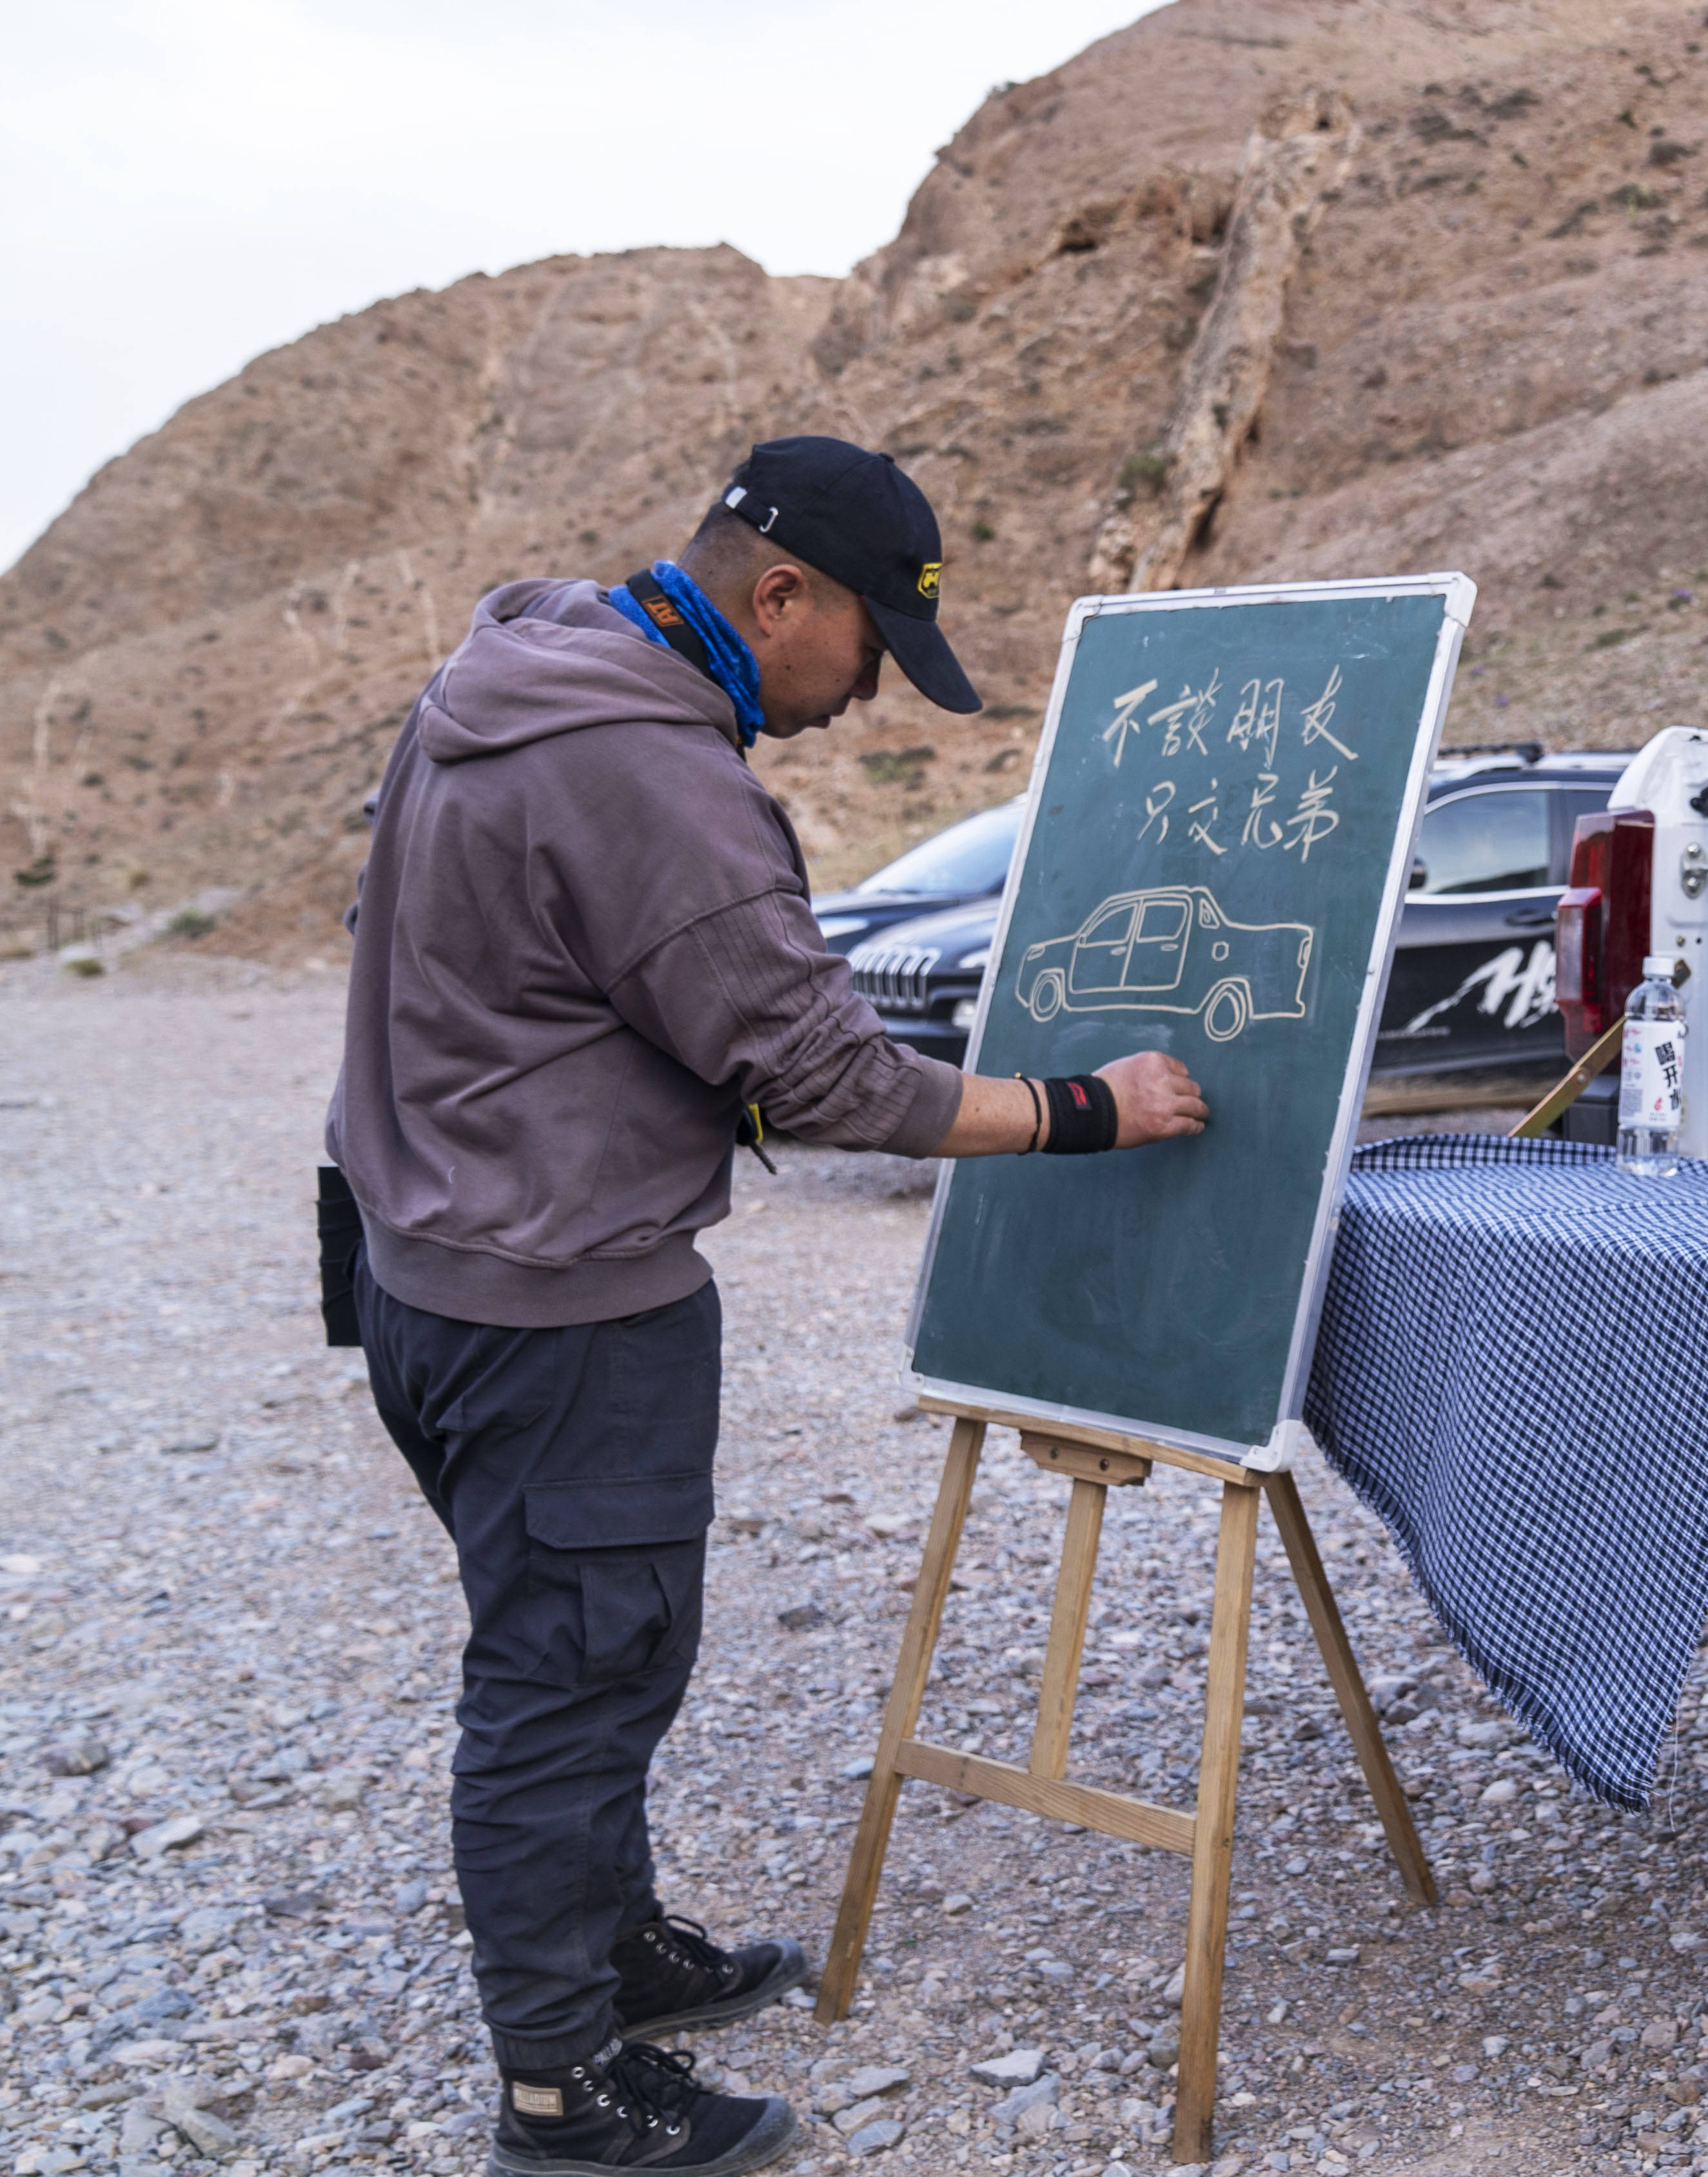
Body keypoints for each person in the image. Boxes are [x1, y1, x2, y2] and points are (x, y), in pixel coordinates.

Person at [324, 438, 1205, 2177]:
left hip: (422, 1268)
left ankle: (616, 1945)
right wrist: (1087, 1108)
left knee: (604, 1649)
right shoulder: (652, 772)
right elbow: (824, 1080)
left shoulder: (504, 677)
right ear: (778, 594)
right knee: (564, 1678)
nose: (870, 687)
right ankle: (563, 2090)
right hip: (563, 1308)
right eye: (871, 644)